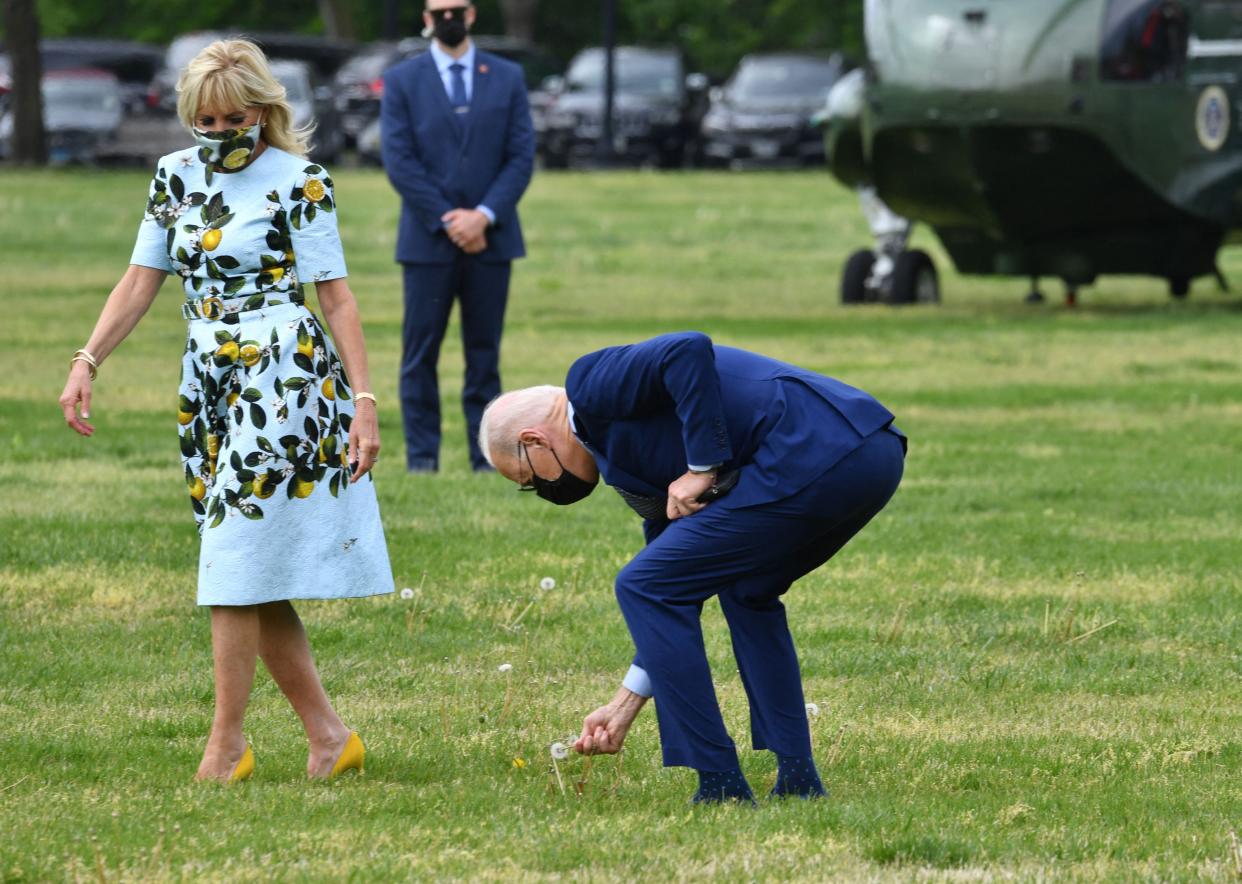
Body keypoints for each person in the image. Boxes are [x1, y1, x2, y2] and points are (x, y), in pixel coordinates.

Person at [58, 39, 393, 783]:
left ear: (263, 110)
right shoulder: (172, 177)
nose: (216, 132)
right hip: (208, 378)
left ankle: (226, 745)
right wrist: (87, 360)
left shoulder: (301, 182)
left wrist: (364, 403)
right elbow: (141, 280)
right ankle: (330, 737)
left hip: (283, 376)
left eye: (231, 118)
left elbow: (334, 296)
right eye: (202, 120)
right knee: (252, 566)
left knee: (233, 557)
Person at [478, 332, 906, 803]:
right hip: (868, 454)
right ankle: (798, 779)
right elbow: (676, 592)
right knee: (746, 591)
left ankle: (720, 784)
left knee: (642, 585)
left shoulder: (589, 383)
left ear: (533, 440)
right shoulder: (629, 463)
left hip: (818, 448)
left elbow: (686, 349)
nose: (542, 489)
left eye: (528, 479)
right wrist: (625, 703)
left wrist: (703, 465)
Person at [380, 0, 535, 473]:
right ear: (426, 20)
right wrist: (450, 218)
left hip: (492, 241)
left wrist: (483, 216)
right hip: (428, 243)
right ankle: (422, 458)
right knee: (419, 354)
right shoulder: (403, 80)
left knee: (483, 355)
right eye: (438, 11)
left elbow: (520, 156)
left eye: (457, 9)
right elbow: (400, 160)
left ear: (471, 15)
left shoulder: (506, 76)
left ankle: (485, 456)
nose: (448, 18)